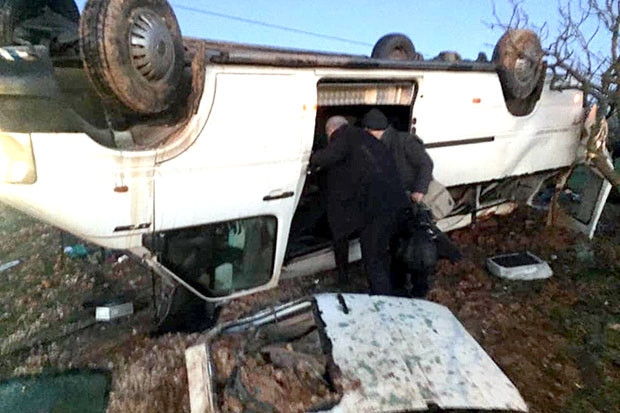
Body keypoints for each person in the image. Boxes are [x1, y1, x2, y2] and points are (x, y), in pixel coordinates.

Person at [310, 116, 408, 295]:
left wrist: (311, 158)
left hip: (376, 208)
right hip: (396, 201)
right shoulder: (365, 138)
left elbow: (328, 157)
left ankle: (383, 302)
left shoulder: (343, 137)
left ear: (331, 131)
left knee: (372, 257)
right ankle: (396, 287)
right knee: (384, 252)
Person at [361, 108, 434, 205]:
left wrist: (420, 190)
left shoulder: (405, 141)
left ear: (373, 131)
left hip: (413, 194)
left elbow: (426, 163)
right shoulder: (377, 146)